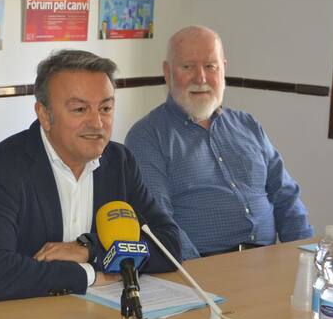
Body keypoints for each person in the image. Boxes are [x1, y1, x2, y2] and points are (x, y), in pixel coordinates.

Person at [0, 50, 182, 302]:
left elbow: (169, 245)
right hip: (15, 313)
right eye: (80, 109)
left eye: (105, 108)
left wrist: (90, 250)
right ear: (44, 115)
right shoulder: (2, 168)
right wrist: (89, 275)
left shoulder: (119, 162)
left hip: (95, 312)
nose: (97, 123)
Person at [125, 26, 313, 258]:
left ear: (223, 69)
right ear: (167, 72)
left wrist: (305, 255)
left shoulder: (247, 125)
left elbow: (286, 196)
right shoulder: (147, 136)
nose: (200, 78)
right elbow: (158, 221)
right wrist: (201, 272)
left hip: (267, 259)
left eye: (210, 66)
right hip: (204, 265)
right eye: (188, 67)